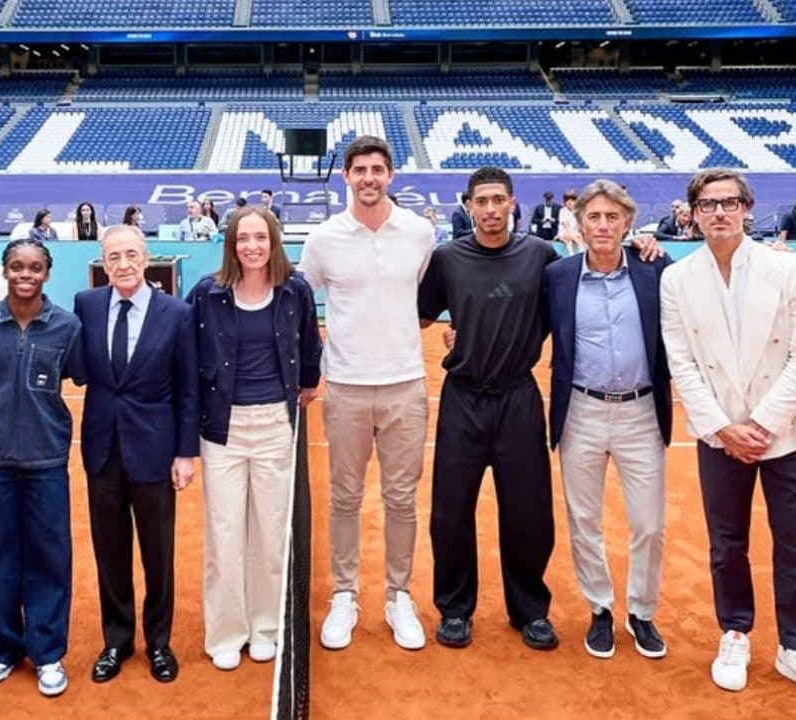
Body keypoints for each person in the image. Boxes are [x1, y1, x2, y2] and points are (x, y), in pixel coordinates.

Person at [661, 168, 796, 706]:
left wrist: (762, 425)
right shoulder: (677, 280)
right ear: (692, 213)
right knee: (727, 544)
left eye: (729, 202)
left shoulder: (792, 270)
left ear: (747, 208)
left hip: (790, 435)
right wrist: (722, 427)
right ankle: (735, 631)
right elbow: (681, 362)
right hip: (721, 438)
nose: (719, 212)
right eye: (708, 204)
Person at [299, 135, 434, 652]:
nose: (369, 178)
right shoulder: (323, 238)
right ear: (346, 177)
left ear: (391, 175)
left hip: (405, 385)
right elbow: (299, 303)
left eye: (378, 169)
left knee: (401, 499)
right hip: (346, 388)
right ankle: (345, 594)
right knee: (345, 498)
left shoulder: (420, 233)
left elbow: (422, 297)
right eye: (360, 170)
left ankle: (398, 596)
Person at [418, 166, 561, 651]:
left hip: (519, 397)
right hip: (463, 397)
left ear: (512, 203)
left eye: (499, 200)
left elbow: (564, 310)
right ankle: (455, 610)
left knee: (528, 511)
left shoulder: (541, 255)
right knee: (450, 511)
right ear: (469, 206)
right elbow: (420, 314)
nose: (491, 209)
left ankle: (530, 610)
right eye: (482, 201)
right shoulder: (447, 258)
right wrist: (454, 335)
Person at [542, 180, 673, 660]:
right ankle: (600, 608)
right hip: (581, 410)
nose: (602, 226)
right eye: (594, 217)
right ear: (580, 223)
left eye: (612, 217)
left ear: (628, 223)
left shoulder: (654, 268)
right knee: (584, 519)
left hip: (641, 411)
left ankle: (641, 611)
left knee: (649, 523)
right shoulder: (557, 275)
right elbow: (524, 325)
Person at [190, 207, 321, 670]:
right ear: (231, 243)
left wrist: (307, 383)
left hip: (274, 424)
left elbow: (309, 346)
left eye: (260, 238)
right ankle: (226, 630)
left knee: (270, 531)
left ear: (274, 242)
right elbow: (189, 356)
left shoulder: (295, 290)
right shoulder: (207, 293)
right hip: (221, 427)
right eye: (243, 238)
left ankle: (266, 626)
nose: (251, 246)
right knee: (224, 533)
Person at [73, 225, 198, 685]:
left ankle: (159, 642)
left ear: (146, 259)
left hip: (155, 448)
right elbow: (82, 370)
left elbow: (188, 390)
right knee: (110, 550)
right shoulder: (86, 305)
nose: (122, 264)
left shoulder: (177, 313)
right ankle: (117, 639)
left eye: (130, 255)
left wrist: (185, 452)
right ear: (103, 264)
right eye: (113, 258)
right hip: (102, 448)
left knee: (158, 551)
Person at [0, 239, 86, 697]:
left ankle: (47, 651)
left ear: (47, 274)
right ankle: (2, 647)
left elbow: (81, 375)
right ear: (5, 270)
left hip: (47, 460)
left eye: (34, 267)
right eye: (17, 266)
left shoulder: (67, 326)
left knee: (49, 558)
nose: (25, 274)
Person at [558, 189, 582, 256]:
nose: (569, 202)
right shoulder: (562, 211)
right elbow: (565, 225)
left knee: (579, 237)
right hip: (564, 232)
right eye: (567, 200)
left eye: (572, 200)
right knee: (568, 237)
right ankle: (571, 255)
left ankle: (581, 254)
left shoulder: (577, 211)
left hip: (575, 232)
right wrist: (571, 234)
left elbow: (579, 224)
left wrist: (578, 233)